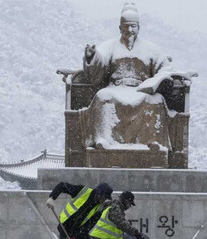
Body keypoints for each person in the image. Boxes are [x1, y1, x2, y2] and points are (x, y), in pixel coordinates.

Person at [78, 2, 194, 152]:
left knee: (156, 100)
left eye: (133, 26)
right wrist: (91, 56)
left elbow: (165, 68)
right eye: (126, 26)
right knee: (102, 96)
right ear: (120, 28)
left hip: (141, 91)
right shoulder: (110, 46)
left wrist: (160, 79)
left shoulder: (151, 49)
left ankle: (154, 142)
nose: (129, 30)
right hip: (116, 88)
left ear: (139, 28)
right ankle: (103, 139)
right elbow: (98, 63)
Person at [46, 182, 114, 239]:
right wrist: (52, 197)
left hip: (80, 231)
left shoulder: (100, 207)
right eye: (103, 197)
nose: (103, 200)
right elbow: (62, 185)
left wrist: (76, 238)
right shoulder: (83, 191)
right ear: (99, 193)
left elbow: (90, 225)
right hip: (65, 227)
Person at [80, 191, 146, 239]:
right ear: (125, 201)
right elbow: (122, 224)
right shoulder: (115, 208)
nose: (129, 206)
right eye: (130, 204)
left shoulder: (116, 208)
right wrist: (136, 233)